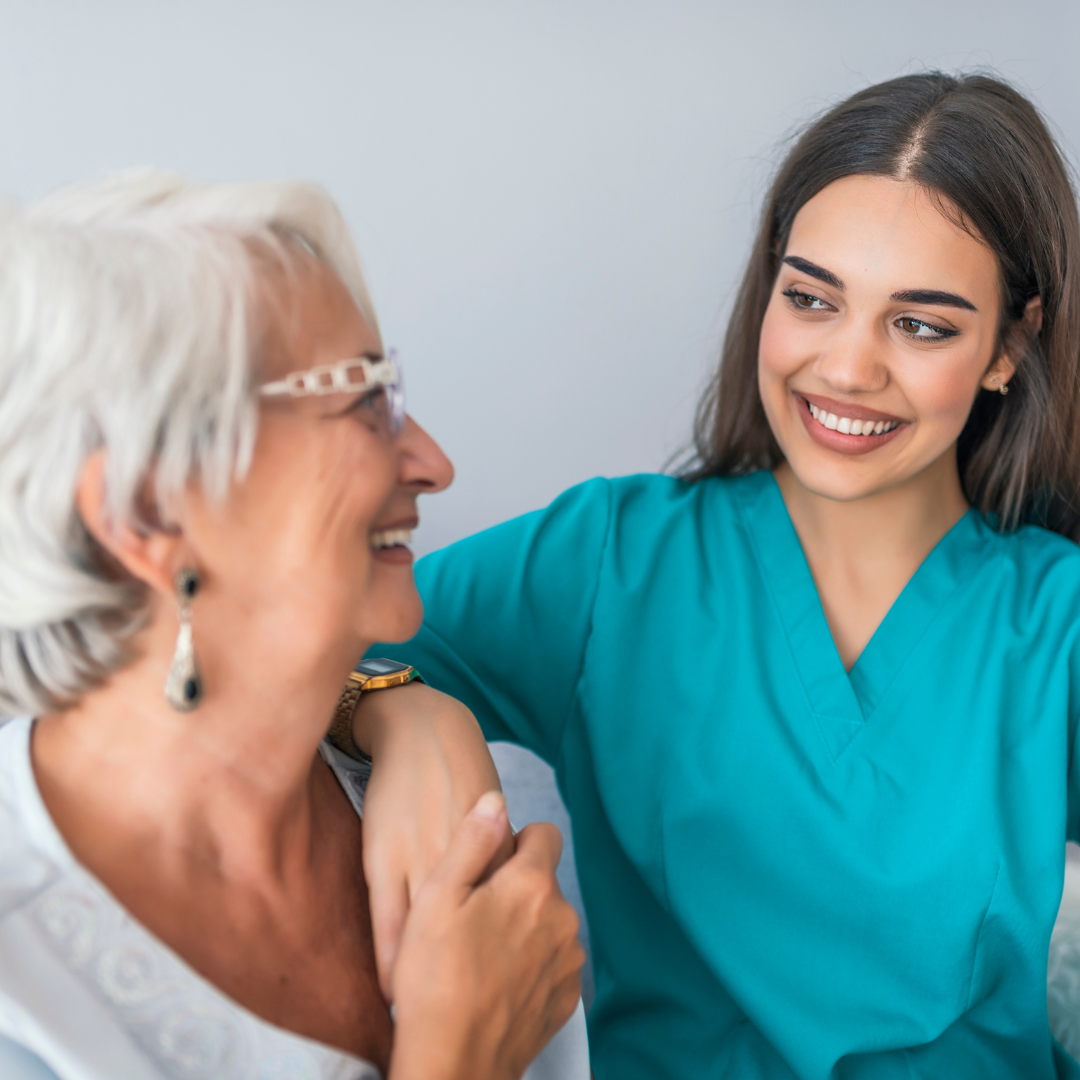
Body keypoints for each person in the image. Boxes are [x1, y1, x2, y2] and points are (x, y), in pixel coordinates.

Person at [351, 72, 1080, 1078]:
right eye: (813, 299)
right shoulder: (611, 562)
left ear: (1010, 346)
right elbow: (318, 646)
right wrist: (407, 712)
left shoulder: (1060, 622)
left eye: (920, 324)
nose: (848, 368)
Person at [0, 173, 587, 1080]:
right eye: (364, 400)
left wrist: (403, 703)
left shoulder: (484, 823)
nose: (434, 461)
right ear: (149, 513)